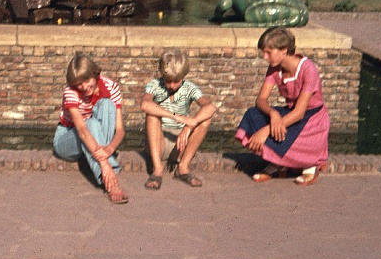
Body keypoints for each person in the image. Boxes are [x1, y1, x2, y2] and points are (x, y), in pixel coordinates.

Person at [235, 26, 330, 186]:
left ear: (284, 50)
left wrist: (266, 130)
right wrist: (273, 114)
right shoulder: (274, 69)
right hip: (290, 113)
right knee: (252, 115)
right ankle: (279, 162)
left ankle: (309, 164)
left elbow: (300, 113)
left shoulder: (308, 70)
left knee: (271, 131)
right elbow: (261, 100)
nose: (265, 57)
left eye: (268, 52)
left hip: (310, 119)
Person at [52, 53, 129, 204]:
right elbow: (82, 130)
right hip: (67, 138)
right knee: (90, 124)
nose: (84, 87)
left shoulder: (111, 86)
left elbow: (120, 130)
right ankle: (109, 179)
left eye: (87, 80)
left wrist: (109, 149)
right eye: (79, 84)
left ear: (95, 74)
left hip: (93, 143)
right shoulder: (70, 91)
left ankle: (99, 163)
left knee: (107, 105)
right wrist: (105, 163)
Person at [140, 49, 216, 190]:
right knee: (152, 115)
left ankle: (183, 167)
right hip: (159, 142)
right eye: (168, 81)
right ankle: (157, 169)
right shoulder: (154, 85)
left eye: (177, 81)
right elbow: (145, 104)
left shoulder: (189, 88)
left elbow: (210, 107)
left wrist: (188, 126)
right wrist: (180, 118)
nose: (172, 85)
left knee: (205, 120)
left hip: (180, 144)